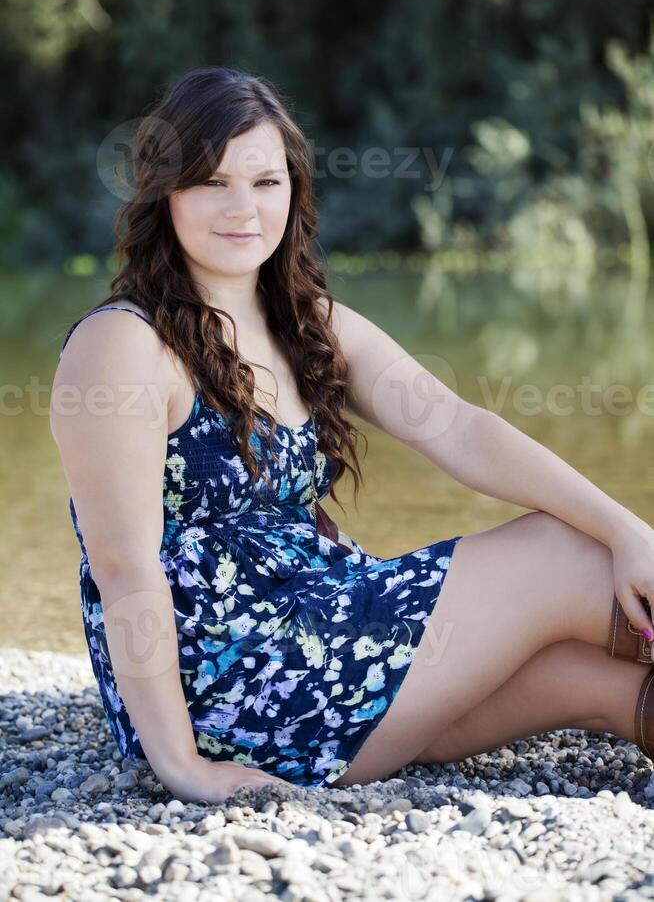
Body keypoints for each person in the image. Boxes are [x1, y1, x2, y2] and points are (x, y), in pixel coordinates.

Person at [50, 66, 654, 805]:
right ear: (164, 192)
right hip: (235, 682)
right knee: (567, 551)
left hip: (329, 637)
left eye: (266, 182)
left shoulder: (309, 326)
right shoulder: (123, 345)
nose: (244, 208)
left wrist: (632, 532)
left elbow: (461, 431)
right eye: (213, 181)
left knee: (598, 682)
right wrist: (179, 765)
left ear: (294, 193)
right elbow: (124, 569)